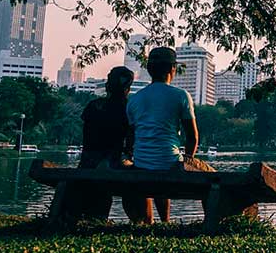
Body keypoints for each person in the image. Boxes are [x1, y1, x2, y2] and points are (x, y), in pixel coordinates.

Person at [125, 47, 215, 223]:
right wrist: (188, 160)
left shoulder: (135, 99)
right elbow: (192, 137)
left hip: (142, 163)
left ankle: (159, 222)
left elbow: (131, 138)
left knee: (158, 167)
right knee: (212, 176)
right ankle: (173, 222)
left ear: (149, 70)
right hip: (170, 163)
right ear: (173, 68)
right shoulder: (180, 96)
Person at [72, 66, 136, 221]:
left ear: (107, 85)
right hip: (111, 161)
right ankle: (141, 219)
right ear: (128, 88)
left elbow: (87, 135)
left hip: (88, 160)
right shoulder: (128, 109)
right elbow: (130, 141)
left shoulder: (94, 106)